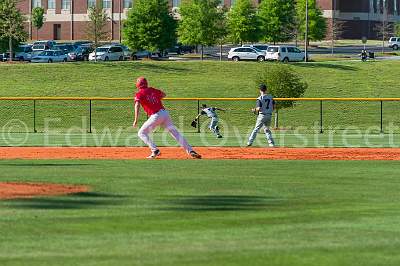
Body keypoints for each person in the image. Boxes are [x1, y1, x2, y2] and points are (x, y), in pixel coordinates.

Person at [133, 77, 201, 159]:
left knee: (141, 133)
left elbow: (137, 105)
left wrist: (136, 119)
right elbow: (164, 95)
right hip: (165, 113)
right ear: (146, 83)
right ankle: (190, 150)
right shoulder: (152, 90)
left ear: (138, 85)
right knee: (175, 133)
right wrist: (156, 99)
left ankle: (155, 150)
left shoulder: (139, 94)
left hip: (156, 115)